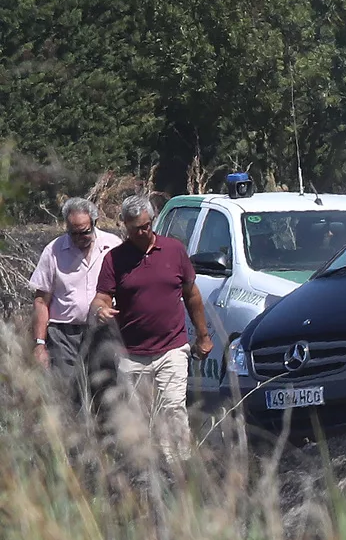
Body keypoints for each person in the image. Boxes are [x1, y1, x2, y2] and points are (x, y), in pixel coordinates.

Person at [93, 195, 213, 463]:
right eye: (136, 228)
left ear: (153, 221)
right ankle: (144, 466)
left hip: (172, 348)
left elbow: (192, 295)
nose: (142, 232)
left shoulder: (174, 250)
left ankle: (180, 465)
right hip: (131, 353)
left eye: (146, 226)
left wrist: (203, 336)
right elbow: (101, 296)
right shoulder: (115, 259)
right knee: (138, 415)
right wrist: (100, 309)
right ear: (124, 226)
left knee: (173, 408)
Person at [29, 197, 121, 396]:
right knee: (67, 393)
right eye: (74, 233)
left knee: (105, 392)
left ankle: (100, 428)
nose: (80, 237)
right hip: (64, 334)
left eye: (85, 232)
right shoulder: (53, 251)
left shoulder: (113, 246)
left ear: (94, 223)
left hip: (103, 332)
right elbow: (41, 300)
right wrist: (39, 344)